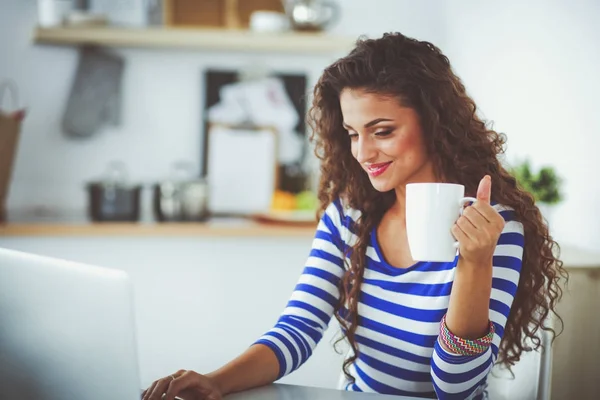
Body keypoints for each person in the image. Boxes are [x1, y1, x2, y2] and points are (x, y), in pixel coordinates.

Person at [142, 32, 566, 400]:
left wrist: (475, 263)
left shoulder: (495, 227)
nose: (362, 153)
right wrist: (216, 382)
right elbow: (298, 328)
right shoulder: (350, 217)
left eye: (382, 131)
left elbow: (456, 388)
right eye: (352, 134)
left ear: (436, 125)